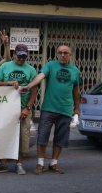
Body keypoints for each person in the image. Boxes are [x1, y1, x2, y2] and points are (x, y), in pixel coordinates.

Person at [20, 45, 80, 175]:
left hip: (65, 110)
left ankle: (54, 163)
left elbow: (76, 91)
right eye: (60, 53)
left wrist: (76, 110)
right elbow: (40, 76)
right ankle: (40, 164)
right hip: (48, 108)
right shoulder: (51, 66)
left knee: (60, 139)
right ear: (57, 54)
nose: (62, 55)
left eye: (65, 53)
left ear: (70, 55)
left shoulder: (75, 71)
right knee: (42, 137)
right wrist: (29, 86)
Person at [0, 44, 38, 175]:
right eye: (19, 56)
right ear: (14, 54)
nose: (21, 59)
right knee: (5, 134)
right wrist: (9, 83)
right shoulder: (5, 66)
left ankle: (19, 163)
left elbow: (34, 90)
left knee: (23, 136)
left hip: (23, 108)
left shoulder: (31, 70)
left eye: (24, 57)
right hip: (6, 108)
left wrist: (27, 108)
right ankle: (3, 163)